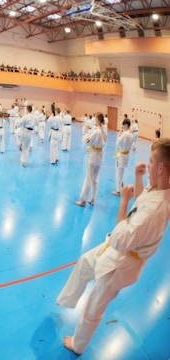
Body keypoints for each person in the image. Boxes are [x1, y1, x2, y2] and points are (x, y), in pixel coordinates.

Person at [57, 138, 170, 355]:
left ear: (161, 167)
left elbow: (120, 236)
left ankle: (78, 345)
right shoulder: (159, 190)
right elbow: (142, 200)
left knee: (95, 306)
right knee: (85, 262)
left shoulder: (156, 210)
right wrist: (139, 178)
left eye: (151, 162)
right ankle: (67, 299)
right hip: (120, 251)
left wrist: (123, 202)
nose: (148, 166)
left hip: (122, 263)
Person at [75, 112, 107, 207]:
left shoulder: (97, 131)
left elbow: (87, 141)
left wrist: (85, 133)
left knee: (88, 178)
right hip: (100, 156)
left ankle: (83, 201)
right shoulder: (104, 131)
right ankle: (93, 199)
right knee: (96, 178)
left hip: (93, 156)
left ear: (97, 120)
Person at [112, 119, 134, 196]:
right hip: (126, 155)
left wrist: (119, 135)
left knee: (118, 173)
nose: (123, 127)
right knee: (121, 172)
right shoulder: (131, 134)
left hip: (121, 155)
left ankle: (118, 191)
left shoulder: (125, 134)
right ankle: (120, 185)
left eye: (123, 125)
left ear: (126, 125)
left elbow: (118, 143)